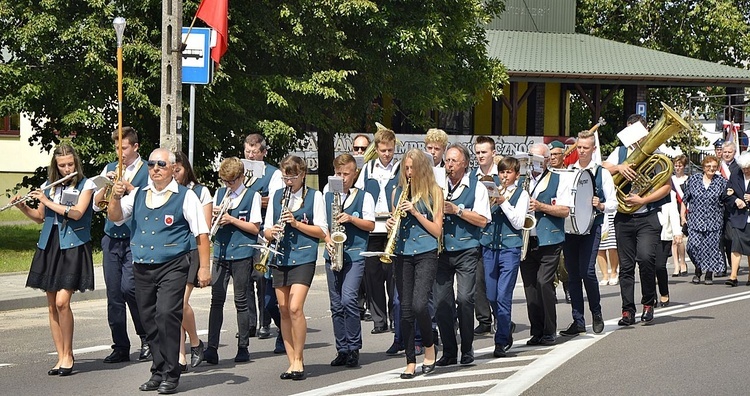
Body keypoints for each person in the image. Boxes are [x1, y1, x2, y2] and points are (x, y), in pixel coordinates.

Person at [108, 148, 211, 394]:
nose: (155, 168)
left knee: (166, 315)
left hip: (173, 265)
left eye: (161, 164)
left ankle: (171, 373)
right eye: (152, 164)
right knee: (149, 319)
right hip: (143, 265)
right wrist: (114, 196)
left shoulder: (185, 196)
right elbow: (116, 217)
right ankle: (158, 369)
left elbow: (202, 234)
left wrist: (205, 268)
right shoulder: (138, 195)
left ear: (173, 169)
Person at [17, 142, 95, 376]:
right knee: (51, 305)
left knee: (62, 302)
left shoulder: (86, 185)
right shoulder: (48, 186)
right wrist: (23, 206)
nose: (66, 168)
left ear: (76, 163)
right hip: (50, 245)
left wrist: (48, 200)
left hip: (73, 246)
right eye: (62, 165)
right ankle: (60, 356)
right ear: (56, 165)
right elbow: (41, 217)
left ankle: (69, 354)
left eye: (70, 164)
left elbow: (77, 213)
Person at [603, 114, 671, 326]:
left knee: (646, 259)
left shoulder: (657, 153)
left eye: (639, 130)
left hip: (647, 216)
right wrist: (619, 168)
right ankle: (627, 311)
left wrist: (643, 199)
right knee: (625, 266)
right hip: (623, 218)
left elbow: (666, 186)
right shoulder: (620, 151)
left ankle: (648, 303)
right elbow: (603, 168)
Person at [265, 155, 327, 381]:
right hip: (280, 257)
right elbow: (266, 230)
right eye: (285, 176)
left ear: (302, 175)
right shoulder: (277, 197)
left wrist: (296, 223)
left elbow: (321, 231)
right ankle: (291, 361)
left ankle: (300, 359)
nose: (288, 181)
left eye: (292, 176)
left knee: (294, 307)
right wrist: (271, 232)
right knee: (282, 309)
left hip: (304, 256)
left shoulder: (315, 196)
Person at [93, 126, 150, 363]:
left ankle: (146, 336)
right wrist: (105, 188)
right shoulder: (110, 168)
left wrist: (129, 188)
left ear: (135, 147)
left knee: (130, 289)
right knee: (114, 293)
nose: (120, 152)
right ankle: (120, 345)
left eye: (124, 147)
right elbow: (97, 205)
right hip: (111, 238)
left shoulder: (148, 170)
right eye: (116, 147)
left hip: (134, 237)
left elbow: (150, 199)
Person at [385, 148, 443, 379]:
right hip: (402, 253)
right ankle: (410, 360)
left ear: (423, 169)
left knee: (420, 305)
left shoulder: (435, 192)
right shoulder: (397, 192)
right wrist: (391, 224)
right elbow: (395, 226)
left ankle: (429, 347)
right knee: (404, 308)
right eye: (406, 168)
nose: (409, 173)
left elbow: (436, 230)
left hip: (426, 252)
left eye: (413, 168)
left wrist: (417, 213)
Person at [434, 144, 490, 366]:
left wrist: (457, 210)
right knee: (441, 303)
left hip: (467, 250)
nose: (449, 165)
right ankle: (449, 351)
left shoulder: (478, 187)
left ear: (465, 163)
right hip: (441, 251)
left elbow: (483, 220)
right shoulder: (437, 185)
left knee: (465, 299)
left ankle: (467, 348)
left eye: (454, 161)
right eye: (447, 160)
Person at [204, 157, 262, 364]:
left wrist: (232, 219)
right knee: (216, 300)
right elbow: (210, 221)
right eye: (225, 181)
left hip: (242, 254)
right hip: (221, 252)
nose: (228, 186)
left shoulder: (251, 196)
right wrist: (215, 217)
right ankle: (211, 348)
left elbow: (255, 228)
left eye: (231, 182)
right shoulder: (220, 194)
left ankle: (243, 346)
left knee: (241, 300)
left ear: (241, 177)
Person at [559, 131, 616, 337]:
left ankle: (597, 313)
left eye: (585, 148)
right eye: (579, 147)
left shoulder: (603, 173)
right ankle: (578, 320)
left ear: (593, 149)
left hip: (592, 227)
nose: (581, 151)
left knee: (588, 272)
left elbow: (614, 203)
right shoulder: (568, 171)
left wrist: (600, 204)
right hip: (571, 228)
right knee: (573, 275)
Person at [324, 154, 375, 368]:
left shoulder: (365, 196)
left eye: (346, 174)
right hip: (332, 254)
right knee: (336, 305)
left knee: (348, 300)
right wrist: (327, 239)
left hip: (354, 254)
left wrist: (351, 218)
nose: (342, 178)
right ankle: (342, 349)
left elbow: (371, 225)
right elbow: (321, 223)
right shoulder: (326, 195)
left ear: (355, 174)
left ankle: (354, 347)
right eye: (338, 173)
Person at [520, 143, 571, 345]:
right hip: (527, 239)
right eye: (531, 159)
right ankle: (537, 330)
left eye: (539, 160)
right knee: (530, 287)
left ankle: (550, 330)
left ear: (548, 160)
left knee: (543, 282)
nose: (534, 164)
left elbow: (565, 210)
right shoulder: (523, 180)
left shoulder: (559, 180)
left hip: (550, 239)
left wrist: (540, 206)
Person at [480, 156, 528, 357]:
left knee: (503, 296)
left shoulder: (522, 194)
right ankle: (505, 325)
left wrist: (503, 202)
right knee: (490, 295)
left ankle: (501, 341)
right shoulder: (489, 191)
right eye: (502, 172)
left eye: (508, 172)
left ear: (516, 175)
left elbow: (518, 223)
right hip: (489, 247)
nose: (504, 176)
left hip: (510, 248)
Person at [354, 128, 399, 335]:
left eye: (389, 150)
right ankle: (379, 320)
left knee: (393, 277)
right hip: (372, 228)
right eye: (382, 150)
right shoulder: (368, 168)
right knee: (372, 276)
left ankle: (395, 317)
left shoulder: (400, 169)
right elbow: (359, 194)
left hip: (392, 228)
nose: (386, 154)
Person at [173, 152, 212, 370]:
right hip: (173, 251)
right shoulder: (166, 192)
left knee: (180, 302)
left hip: (192, 249)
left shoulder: (200, 191)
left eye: (178, 170)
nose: (175, 174)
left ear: (186, 169)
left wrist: (205, 267)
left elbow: (203, 228)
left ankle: (195, 342)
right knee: (173, 304)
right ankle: (180, 356)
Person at [244, 134, 284, 339]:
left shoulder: (274, 174)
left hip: (261, 229)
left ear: (263, 152)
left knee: (260, 275)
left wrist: (251, 199)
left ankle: (264, 322)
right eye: (247, 151)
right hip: (243, 228)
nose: (250, 155)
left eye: (254, 152)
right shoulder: (241, 170)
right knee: (245, 277)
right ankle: (250, 322)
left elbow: (273, 201)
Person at [680, 156, 727, 285]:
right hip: (695, 220)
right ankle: (698, 268)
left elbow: (727, 200)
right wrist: (683, 217)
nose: (711, 169)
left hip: (714, 221)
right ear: (703, 167)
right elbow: (685, 200)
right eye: (708, 166)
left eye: (714, 167)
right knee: (692, 247)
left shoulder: (721, 182)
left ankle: (707, 274)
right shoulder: (694, 180)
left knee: (711, 248)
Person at [471, 136, 498, 335]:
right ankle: (484, 319)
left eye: (484, 152)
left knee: (493, 280)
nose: (480, 156)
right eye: (478, 152)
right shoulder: (471, 176)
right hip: (477, 232)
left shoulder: (502, 174)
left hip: (497, 233)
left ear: (493, 153)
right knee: (478, 279)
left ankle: (500, 316)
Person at [350, 133, 371, 322]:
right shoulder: (348, 170)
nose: (359, 152)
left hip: (372, 222)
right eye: (356, 148)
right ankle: (359, 304)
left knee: (370, 272)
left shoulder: (370, 169)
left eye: (363, 149)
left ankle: (371, 305)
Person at [548, 140, 571, 303]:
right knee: (550, 262)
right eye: (551, 155)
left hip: (567, 223)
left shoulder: (571, 174)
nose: (553, 158)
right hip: (549, 222)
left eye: (556, 154)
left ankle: (568, 286)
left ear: (564, 155)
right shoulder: (546, 175)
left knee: (564, 261)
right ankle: (551, 290)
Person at [725, 152, 750, 287]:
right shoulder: (735, 174)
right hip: (738, 216)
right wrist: (736, 200)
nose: (745, 171)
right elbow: (727, 193)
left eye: (748, 168)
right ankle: (733, 276)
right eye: (744, 168)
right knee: (736, 245)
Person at [655, 189, 681, 306]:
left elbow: (674, 214)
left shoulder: (670, 193)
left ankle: (664, 292)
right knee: (646, 266)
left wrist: (677, 232)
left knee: (660, 266)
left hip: (664, 235)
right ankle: (650, 295)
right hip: (647, 233)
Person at [718, 141, 740, 277]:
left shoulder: (738, 167)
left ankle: (733, 264)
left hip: (731, 208)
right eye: (725, 152)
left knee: (730, 238)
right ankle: (721, 266)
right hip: (717, 207)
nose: (726, 154)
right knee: (719, 238)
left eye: (729, 152)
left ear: (734, 153)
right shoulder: (716, 166)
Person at [670, 155, 689, 276]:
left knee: (680, 239)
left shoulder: (688, 180)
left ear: (684, 166)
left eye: (680, 166)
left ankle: (683, 261)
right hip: (673, 210)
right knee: (674, 240)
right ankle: (676, 265)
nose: (677, 168)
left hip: (685, 210)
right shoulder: (670, 180)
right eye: (676, 165)